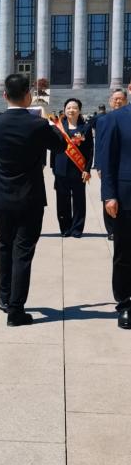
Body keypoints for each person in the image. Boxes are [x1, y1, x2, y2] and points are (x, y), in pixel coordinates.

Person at [0, 73, 65, 326]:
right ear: (28, 95)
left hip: (1, 195)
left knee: (5, 244)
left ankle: (5, 296)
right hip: (30, 196)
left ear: (4, 95)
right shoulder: (38, 125)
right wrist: (51, 123)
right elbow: (60, 146)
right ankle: (16, 310)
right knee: (23, 251)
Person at [98, 96, 131, 328]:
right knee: (125, 252)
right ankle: (125, 303)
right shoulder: (116, 118)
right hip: (126, 196)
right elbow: (107, 159)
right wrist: (109, 195)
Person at [51, 98, 93, 238]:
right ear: (64, 110)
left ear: (79, 110)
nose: (71, 110)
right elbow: (54, 148)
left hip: (79, 170)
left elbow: (90, 151)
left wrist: (87, 169)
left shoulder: (85, 128)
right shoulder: (58, 127)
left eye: (74, 108)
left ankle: (77, 229)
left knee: (79, 201)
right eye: (68, 107)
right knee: (62, 200)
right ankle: (65, 228)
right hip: (61, 169)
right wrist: (53, 167)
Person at [94, 88, 127, 240]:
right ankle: (111, 229)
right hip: (107, 164)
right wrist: (99, 165)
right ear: (110, 101)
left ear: (126, 100)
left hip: (123, 165)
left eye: (121, 99)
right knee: (108, 196)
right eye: (115, 99)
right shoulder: (103, 120)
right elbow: (100, 145)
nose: (118, 101)